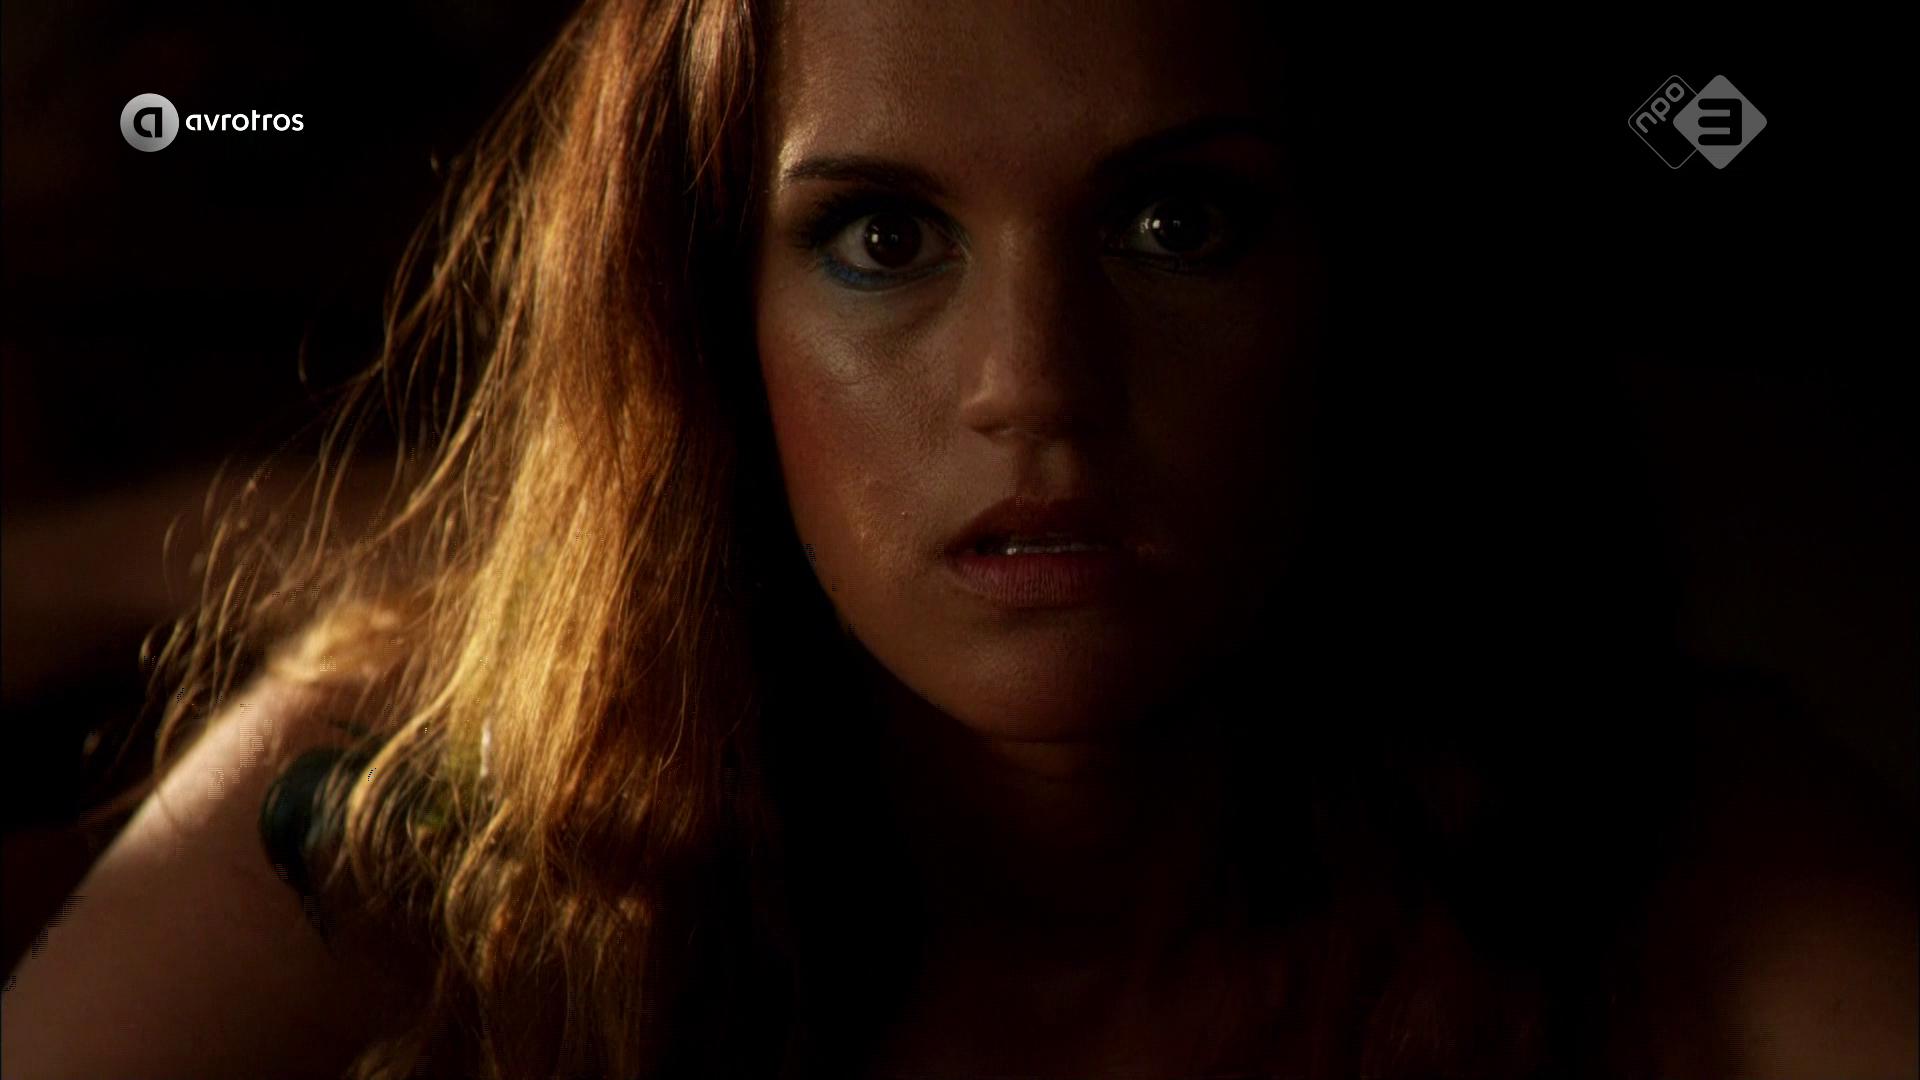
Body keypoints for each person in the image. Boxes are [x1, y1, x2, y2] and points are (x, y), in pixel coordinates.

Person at [4, 0, 1913, 1077]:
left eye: (1177, 225)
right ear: (709, 327)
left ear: (1354, 292)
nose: (1033, 388)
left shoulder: (1656, 838)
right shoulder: (442, 794)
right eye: (884, 237)